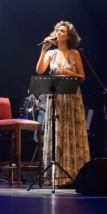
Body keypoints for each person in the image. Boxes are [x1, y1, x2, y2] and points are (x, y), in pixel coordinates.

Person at [35, 20, 90, 187]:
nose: (58, 33)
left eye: (62, 31)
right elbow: (39, 71)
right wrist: (44, 50)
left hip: (72, 96)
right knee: (57, 133)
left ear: (68, 36)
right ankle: (57, 174)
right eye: (57, 30)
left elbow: (83, 77)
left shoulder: (75, 53)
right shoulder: (51, 53)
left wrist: (68, 72)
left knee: (71, 133)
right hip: (56, 96)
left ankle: (74, 174)